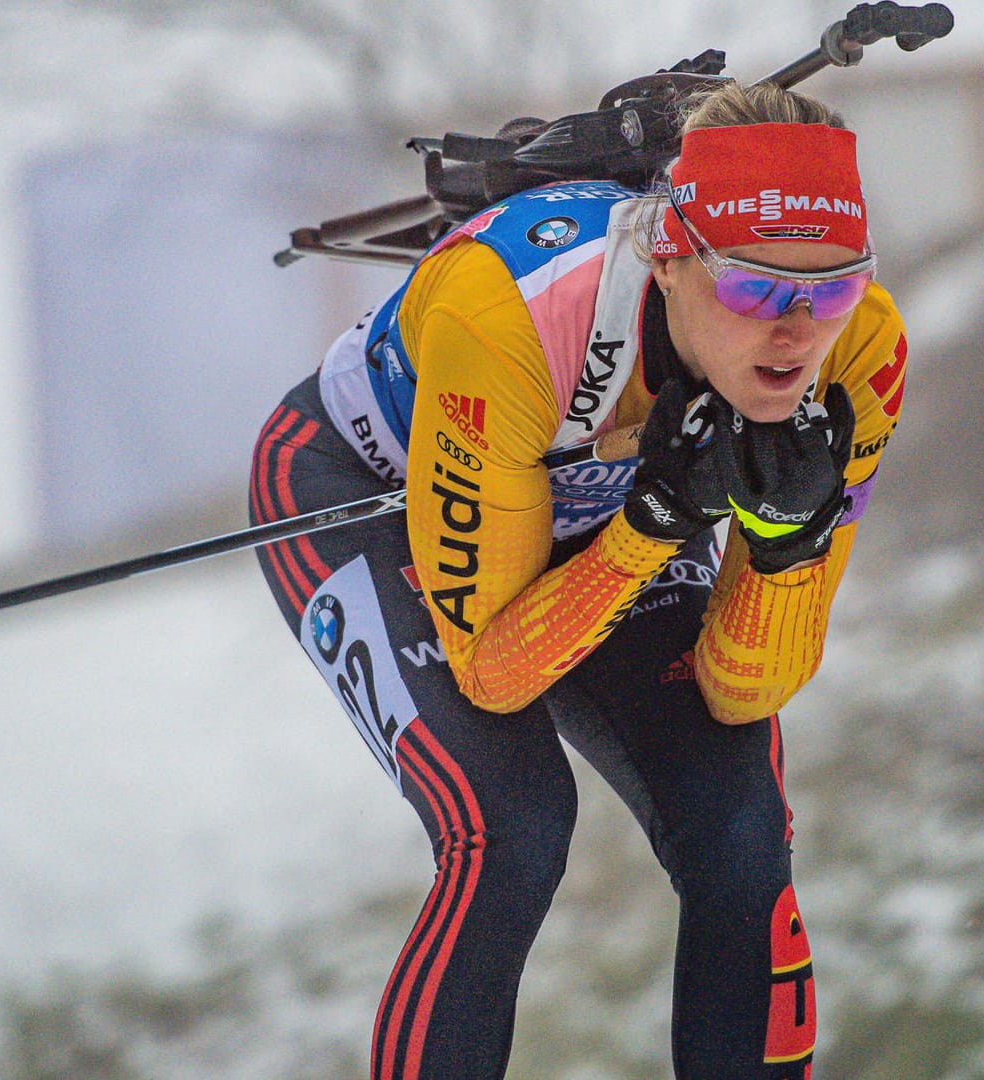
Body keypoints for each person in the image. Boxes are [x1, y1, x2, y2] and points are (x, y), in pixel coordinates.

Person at [248, 79, 907, 1080]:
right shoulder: (510, 311)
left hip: (598, 502)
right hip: (368, 483)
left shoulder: (863, 355)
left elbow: (748, 688)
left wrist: (782, 545)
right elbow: (497, 674)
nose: (795, 335)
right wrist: (649, 530)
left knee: (738, 826)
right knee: (508, 825)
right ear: (674, 257)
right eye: (755, 290)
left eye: (831, 289)